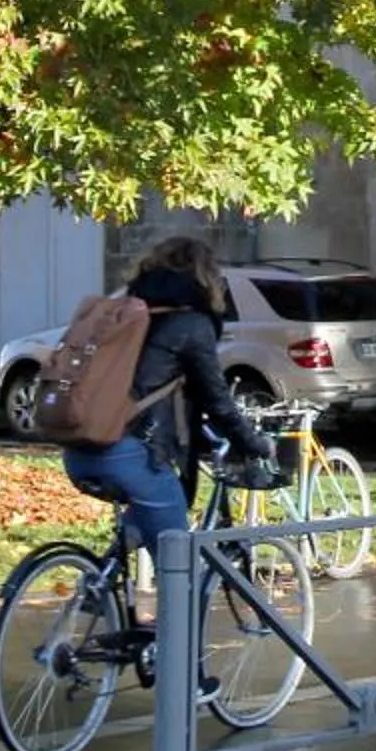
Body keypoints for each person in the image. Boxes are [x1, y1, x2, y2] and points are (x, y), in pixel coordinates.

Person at [60, 235, 274, 621]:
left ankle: (102, 583)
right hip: (125, 452)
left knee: (148, 515)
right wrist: (254, 442)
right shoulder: (190, 324)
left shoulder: (125, 313)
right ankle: (190, 675)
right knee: (180, 569)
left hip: (78, 448)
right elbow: (217, 399)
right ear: (207, 278)